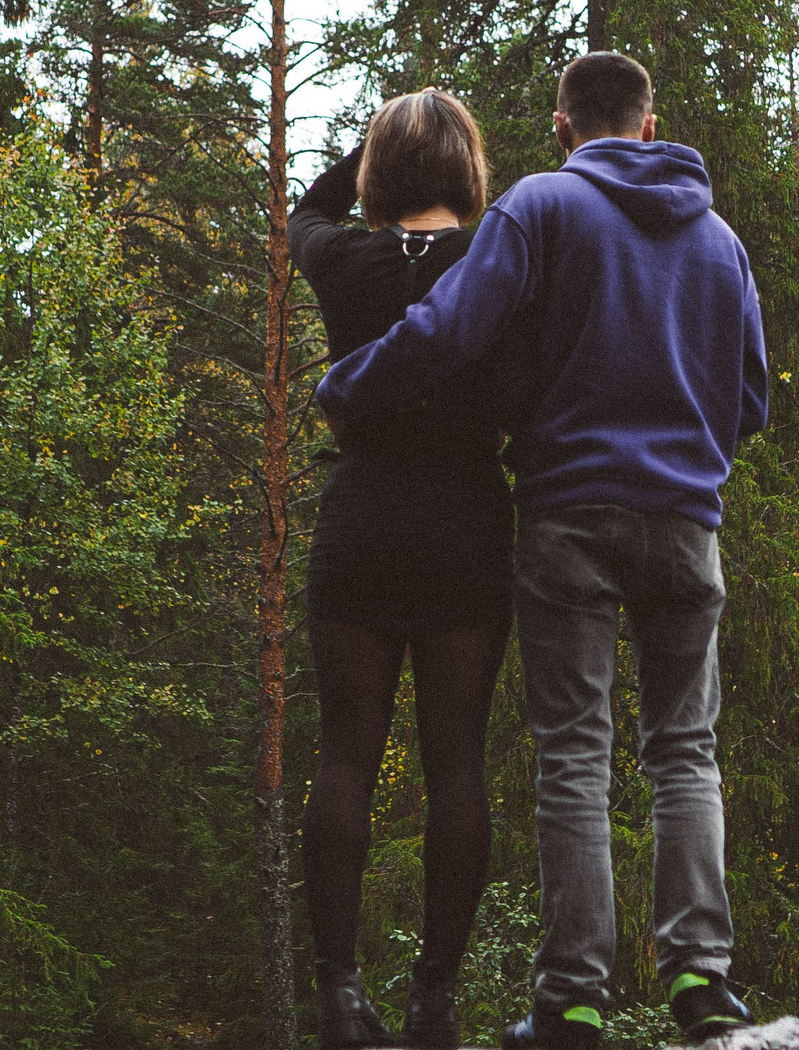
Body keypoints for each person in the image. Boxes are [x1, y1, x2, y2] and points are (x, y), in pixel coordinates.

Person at [316, 52, 766, 1048]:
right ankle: (700, 979)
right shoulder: (720, 241)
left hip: (566, 513)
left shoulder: (541, 206)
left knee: (574, 751)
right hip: (685, 523)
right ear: (649, 127)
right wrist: (688, 459)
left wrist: (348, 387)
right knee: (684, 748)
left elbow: (448, 330)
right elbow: (750, 398)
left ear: (564, 128)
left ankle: (571, 999)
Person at [290, 89, 517, 1049]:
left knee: (346, 758)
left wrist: (377, 151)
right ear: (466, 174)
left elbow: (307, 208)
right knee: (455, 761)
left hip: (362, 523)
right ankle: (435, 999)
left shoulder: (343, 258)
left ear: (380, 176)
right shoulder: (495, 260)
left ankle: (340, 999)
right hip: (466, 525)